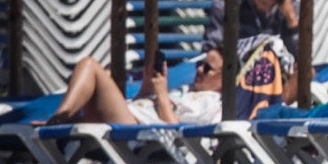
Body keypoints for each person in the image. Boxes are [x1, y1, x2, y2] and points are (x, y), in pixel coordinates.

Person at [39, 52, 223, 126]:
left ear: (223, 79)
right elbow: (144, 105)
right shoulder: (185, 89)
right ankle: (61, 119)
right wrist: (146, 87)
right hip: (128, 116)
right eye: (200, 64)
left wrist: (161, 94)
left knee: (90, 66)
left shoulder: (210, 102)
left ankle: (60, 117)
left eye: (207, 68)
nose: (199, 69)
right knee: (94, 72)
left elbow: (175, 132)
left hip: (135, 130)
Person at [203, 0, 300, 61]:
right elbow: (211, 48)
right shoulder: (225, 6)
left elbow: (300, 57)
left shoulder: (287, 8)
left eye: (273, 5)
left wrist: (291, 20)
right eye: (264, 3)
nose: (269, 10)